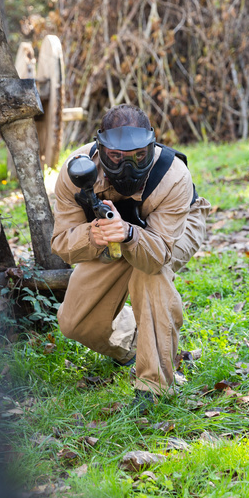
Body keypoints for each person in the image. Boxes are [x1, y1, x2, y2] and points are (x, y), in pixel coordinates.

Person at [51, 105, 211, 408]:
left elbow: (158, 253)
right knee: (74, 322)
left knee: (149, 276)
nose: (129, 166)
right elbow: (61, 242)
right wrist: (92, 235)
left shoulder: (172, 175)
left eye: (139, 155)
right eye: (117, 157)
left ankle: (154, 386)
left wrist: (128, 234)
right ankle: (136, 345)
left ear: (151, 145)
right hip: (109, 236)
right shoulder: (76, 173)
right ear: (100, 149)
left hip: (174, 230)